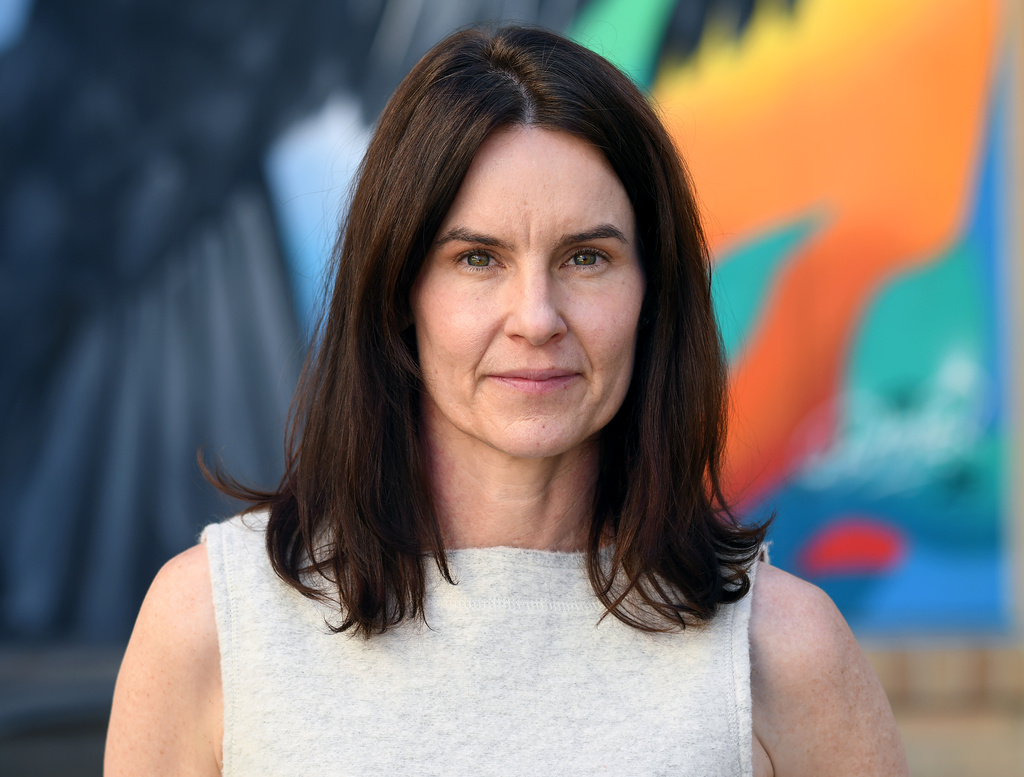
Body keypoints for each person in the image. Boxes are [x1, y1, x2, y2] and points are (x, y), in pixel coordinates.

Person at [105, 25, 908, 776]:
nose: (536, 317)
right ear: (399, 292)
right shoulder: (211, 626)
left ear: (652, 296)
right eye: (479, 258)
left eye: (586, 257)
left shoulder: (785, 653)